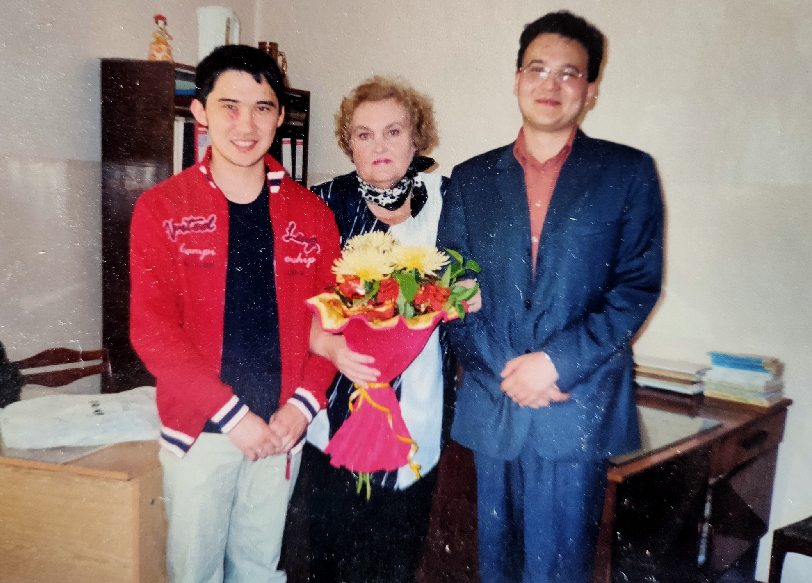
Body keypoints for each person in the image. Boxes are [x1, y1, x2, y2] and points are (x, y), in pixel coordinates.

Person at [437, 11, 664, 583]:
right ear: (516, 79)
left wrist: (554, 364)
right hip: (494, 399)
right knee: (496, 567)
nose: (551, 84)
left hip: (575, 403)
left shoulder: (628, 173)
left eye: (569, 73)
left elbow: (636, 287)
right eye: (537, 69)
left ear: (590, 89)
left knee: (558, 570)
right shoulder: (470, 179)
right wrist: (509, 370)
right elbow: (450, 289)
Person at [129, 45, 340, 583]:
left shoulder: (313, 215)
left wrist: (301, 408)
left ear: (280, 115)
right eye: (229, 106)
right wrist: (233, 416)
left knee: (258, 571)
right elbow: (153, 332)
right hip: (201, 433)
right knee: (193, 574)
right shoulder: (162, 208)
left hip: (281, 429)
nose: (246, 125)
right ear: (199, 111)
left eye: (262, 107)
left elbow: (332, 327)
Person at [306, 76, 479, 583]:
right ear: (349, 145)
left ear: (416, 138)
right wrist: (324, 345)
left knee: (397, 557)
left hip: (419, 409)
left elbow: (474, 281)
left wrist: (466, 294)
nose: (379, 145)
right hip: (335, 406)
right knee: (331, 558)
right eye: (364, 134)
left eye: (393, 131)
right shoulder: (322, 203)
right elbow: (290, 302)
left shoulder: (449, 202)